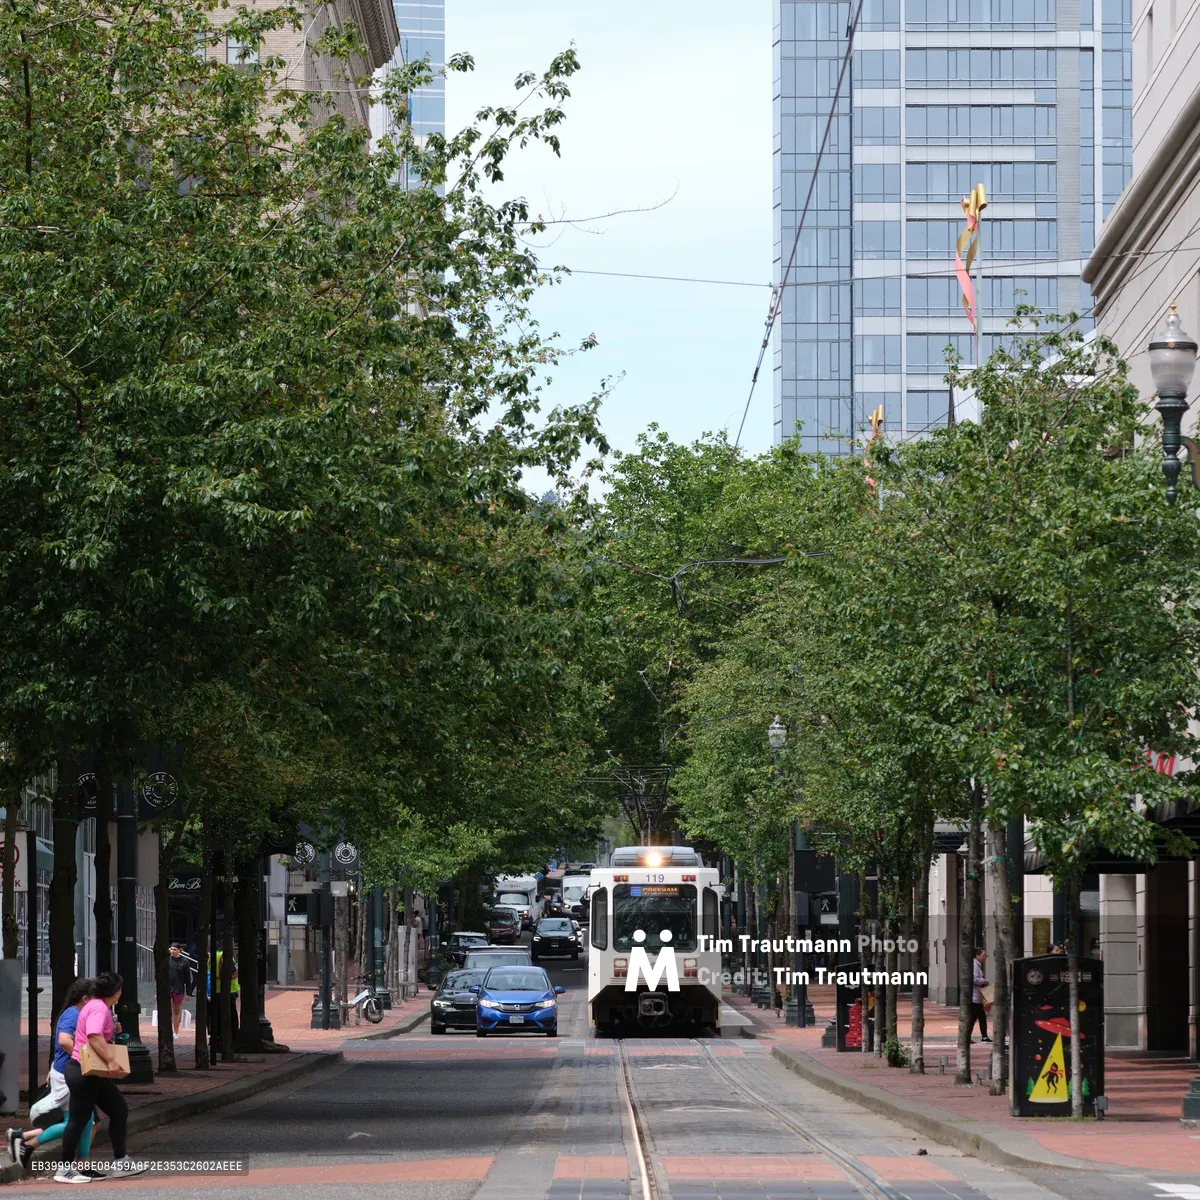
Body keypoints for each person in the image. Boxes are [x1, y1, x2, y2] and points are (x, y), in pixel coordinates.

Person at [58, 971, 147, 1183]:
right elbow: (94, 1036)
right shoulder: (99, 1008)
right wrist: (111, 1060)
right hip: (84, 1071)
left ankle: (120, 1161)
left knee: (118, 1110)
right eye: (120, 990)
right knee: (78, 1120)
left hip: (90, 1071)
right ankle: (65, 1168)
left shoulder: (95, 1006)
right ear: (115, 993)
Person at [6, 978, 98, 1177]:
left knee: (88, 1119)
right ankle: (27, 1143)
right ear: (85, 999)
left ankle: (80, 1164)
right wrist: (88, 1058)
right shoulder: (73, 1015)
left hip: (72, 1073)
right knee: (77, 1122)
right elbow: (65, 1040)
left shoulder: (77, 1013)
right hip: (68, 1074)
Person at [168, 943, 194, 1037]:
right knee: (166, 1010)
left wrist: (188, 993)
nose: (172, 951)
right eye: (171, 949)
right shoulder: (167, 960)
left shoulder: (185, 962)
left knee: (176, 1010)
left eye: (175, 949)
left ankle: (175, 1032)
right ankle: (168, 1031)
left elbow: (187, 978)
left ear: (179, 950)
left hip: (179, 989)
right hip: (167, 988)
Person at [969, 947, 991, 1044]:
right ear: (977, 956)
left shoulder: (977, 965)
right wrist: (984, 981)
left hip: (977, 997)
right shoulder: (974, 966)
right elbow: (974, 979)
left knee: (981, 1017)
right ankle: (968, 1036)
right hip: (975, 997)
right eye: (983, 956)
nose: (985, 958)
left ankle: (984, 1036)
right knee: (974, 1018)